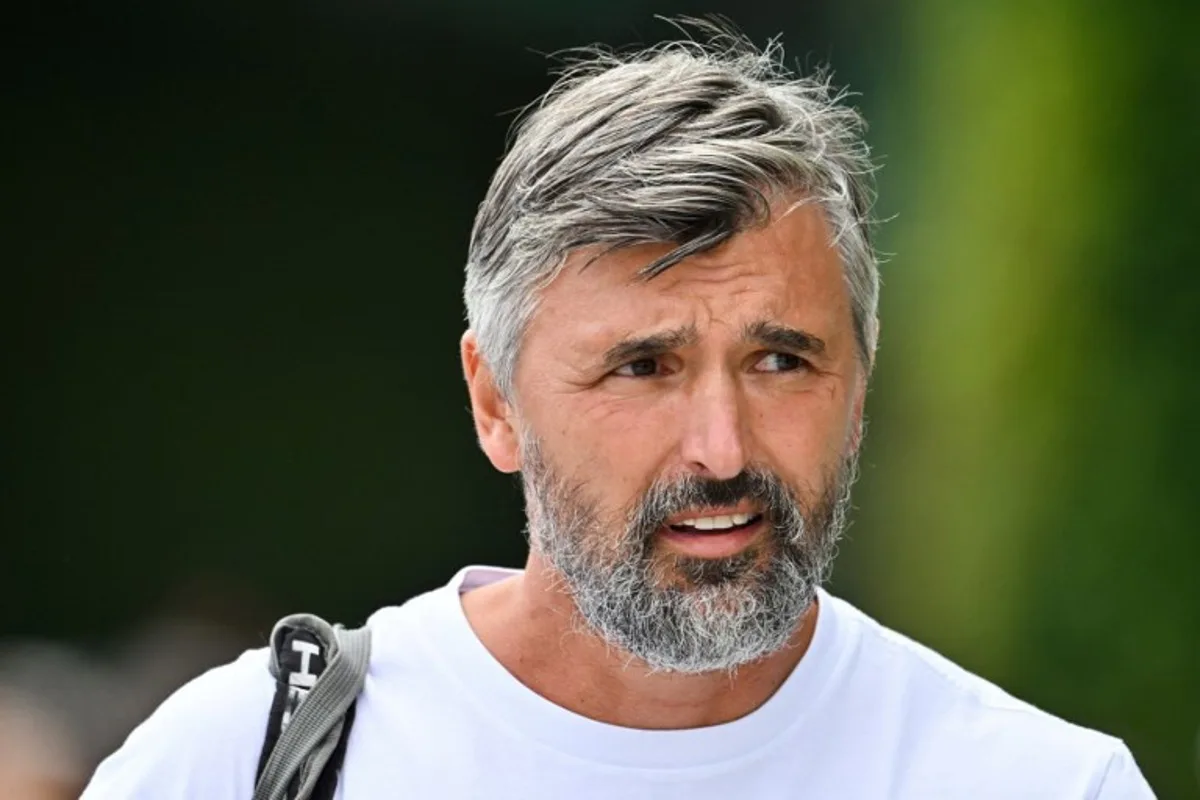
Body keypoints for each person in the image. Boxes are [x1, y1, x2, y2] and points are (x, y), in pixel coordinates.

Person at [81, 24, 1155, 799]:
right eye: (643, 366)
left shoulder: (1042, 780)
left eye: (783, 359)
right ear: (494, 401)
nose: (723, 447)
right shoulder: (247, 760)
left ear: (861, 386)